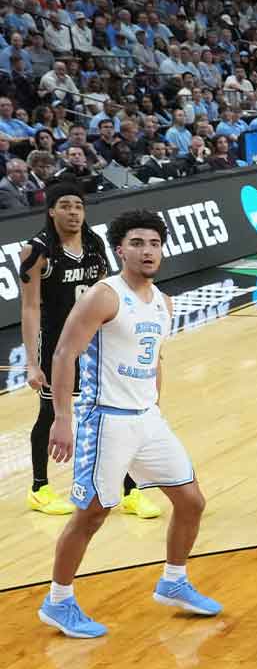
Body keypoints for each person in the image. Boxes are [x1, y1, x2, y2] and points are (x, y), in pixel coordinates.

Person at [37, 208, 221, 639]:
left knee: (192, 501)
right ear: (120, 249)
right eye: (137, 243)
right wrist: (62, 418)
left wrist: (156, 405)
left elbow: (155, 356)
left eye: (155, 243)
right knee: (91, 515)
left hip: (147, 420)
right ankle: (58, 602)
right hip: (106, 420)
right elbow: (64, 354)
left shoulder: (162, 301)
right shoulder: (104, 295)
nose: (148, 251)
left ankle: (173, 581)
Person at [20, 183, 160, 519]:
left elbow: (110, 292)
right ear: (51, 210)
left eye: (78, 206)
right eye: (65, 205)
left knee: (118, 413)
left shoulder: (95, 244)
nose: (73, 212)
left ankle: (130, 491)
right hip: (56, 344)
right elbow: (29, 308)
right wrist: (31, 363)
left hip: (96, 343)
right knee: (52, 415)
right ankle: (39, 488)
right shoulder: (36, 250)